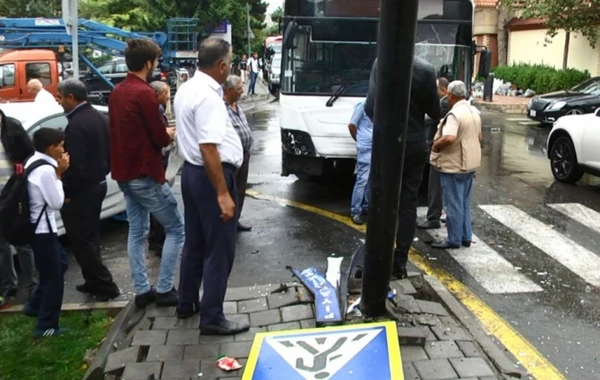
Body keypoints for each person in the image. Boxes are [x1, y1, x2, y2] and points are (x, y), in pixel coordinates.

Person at [174, 38, 249, 335]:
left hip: (193, 174)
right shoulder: (207, 96)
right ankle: (213, 317)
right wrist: (222, 194)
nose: (229, 67)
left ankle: (187, 302)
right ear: (221, 66)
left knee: (195, 242)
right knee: (220, 249)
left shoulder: (187, 88)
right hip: (210, 176)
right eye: (229, 63)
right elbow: (209, 148)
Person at [109, 39, 184, 308]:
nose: (157, 64)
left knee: (136, 231)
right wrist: (169, 134)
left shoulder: (117, 91)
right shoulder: (144, 94)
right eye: (157, 60)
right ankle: (164, 288)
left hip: (125, 174)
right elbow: (159, 138)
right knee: (176, 228)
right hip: (146, 174)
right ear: (148, 63)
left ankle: (142, 290)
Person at [364, 56, 441, 279]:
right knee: (408, 204)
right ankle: (399, 262)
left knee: (381, 198)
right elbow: (435, 111)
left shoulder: (381, 62)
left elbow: (370, 107)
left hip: (388, 142)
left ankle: (378, 257)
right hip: (415, 143)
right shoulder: (426, 70)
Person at [56, 79, 120, 301]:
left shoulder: (76, 125)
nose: (59, 101)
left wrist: (67, 192)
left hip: (81, 191)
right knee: (90, 238)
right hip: (98, 183)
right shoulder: (99, 117)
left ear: (71, 98)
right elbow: (112, 152)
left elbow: (76, 166)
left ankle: (105, 284)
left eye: (60, 97)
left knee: (82, 241)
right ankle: (93, 281)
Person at [23, 128, 70, 338]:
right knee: (53, 279)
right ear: (51, 148)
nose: (63, 149)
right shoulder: (47, 171)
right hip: (43, 230)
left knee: (59, 263)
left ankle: (34, 305)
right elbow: (56, 202)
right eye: (60, 145)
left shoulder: (33, 160)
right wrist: (59, 174)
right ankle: (46, 326)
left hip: (37, 228)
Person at [430, 80, 482, 249]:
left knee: (453, 203)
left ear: (451, 95)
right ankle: (465, 236)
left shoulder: (454, 115)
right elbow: (479, 137)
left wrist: (436, 145)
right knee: (464, 202)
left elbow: (450, 137)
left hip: (454, 165)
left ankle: (453, 239)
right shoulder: (473, 111)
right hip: (469, 163)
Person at [0, 110, 37, 310]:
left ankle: (33, 289)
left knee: (23, 244)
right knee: (2, 246)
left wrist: (21, 168)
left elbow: (29, 154)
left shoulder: (12, 127)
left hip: (13, 194)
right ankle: (9, 290)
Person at [418, 77, 451, 229]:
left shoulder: (444, 104)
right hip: (448, 151)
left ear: (443, 90)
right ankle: (448, 215)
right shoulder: (456, 105)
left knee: (435, 186)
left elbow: (428, 119)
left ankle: (433, 218)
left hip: (438, 148)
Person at [223, 75, 253, 232]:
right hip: (232, 157)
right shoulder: (222, 108)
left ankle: (235, 220)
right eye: (239, 89)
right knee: (231, 190)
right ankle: (227, 222)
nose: (242, 91)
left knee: (241, 189)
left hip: (244, 154)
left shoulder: (237, 106)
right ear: (228, 90)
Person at [147, 81, 171, 254]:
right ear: (156, 95)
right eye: (165, 93)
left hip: (162, 162)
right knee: (159, 202)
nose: (168, 96)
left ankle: (157, 237)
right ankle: (157, 239)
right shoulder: (154, 112)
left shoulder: (159, 111)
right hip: (157, 164)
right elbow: (159, 137)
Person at [348, 100, 373, 225]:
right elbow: (352, 125)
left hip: (376, 146)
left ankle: (366, 206)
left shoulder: (378, 104)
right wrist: (359, 140)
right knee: (362, 179)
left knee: (370, 179)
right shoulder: (362, 105)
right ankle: (355, 211)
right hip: (365, 147)